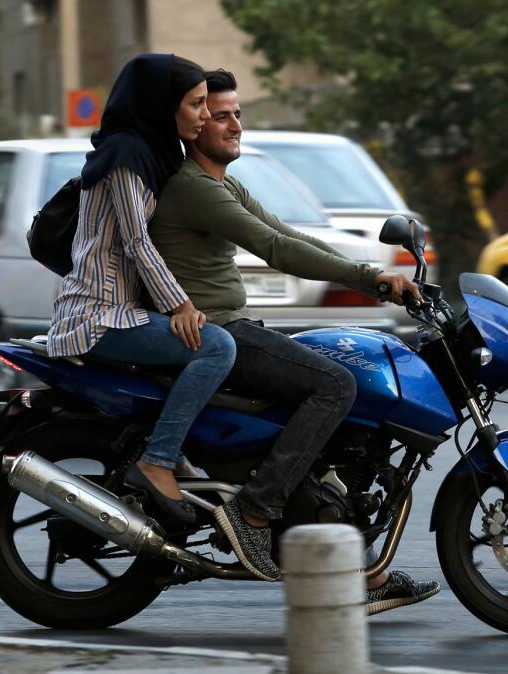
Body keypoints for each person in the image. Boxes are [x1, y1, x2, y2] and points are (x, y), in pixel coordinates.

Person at [148, 68, 440, 612]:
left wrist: (371, 272)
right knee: (334, 385)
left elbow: (287, 232)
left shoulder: (222, 183)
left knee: (342, 392)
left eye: (238, 114)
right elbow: (275, 250)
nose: (235, 125)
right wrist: (370, 279)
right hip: (214, 332)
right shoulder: (192, 188)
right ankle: (254, 512)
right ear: (192, 126)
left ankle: (358, 570)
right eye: (220, 115)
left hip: (235, 324)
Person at [46, 54, 236, 527]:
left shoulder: (154, 151)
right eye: (195, 104)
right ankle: (159, 461)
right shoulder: (125, 158)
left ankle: (176, 455)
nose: (205, 115)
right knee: (215, 347)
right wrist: (181, 304)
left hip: (121, 310)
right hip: (96, 316)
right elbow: (136, 242)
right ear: (161, 104)